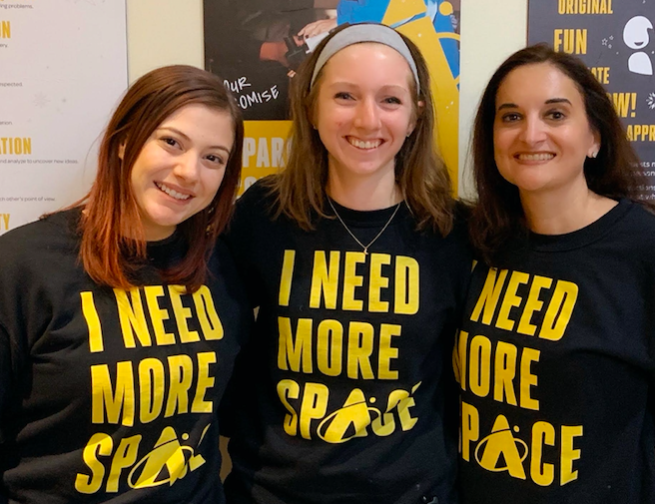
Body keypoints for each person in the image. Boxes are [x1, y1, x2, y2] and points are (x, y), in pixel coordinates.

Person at [223, 23, 471, 504]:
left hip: (413, 492)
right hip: (273, 490)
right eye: (345, 96)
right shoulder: (264, 213)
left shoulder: (454, 231)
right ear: (311, 106)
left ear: (416, 117)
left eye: (390, 100)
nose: (367, 119)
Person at [0, 65, 251, 503]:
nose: (189, 171)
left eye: (213, 157)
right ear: (123, 141)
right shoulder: (24, 265)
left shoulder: (222, 267)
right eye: (171, 142)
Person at [457, 44, 655, 503]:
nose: (531, 134)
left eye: (555, 114)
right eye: (510, 117)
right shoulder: (478, 242)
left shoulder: (642, 249)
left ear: (594, 137)